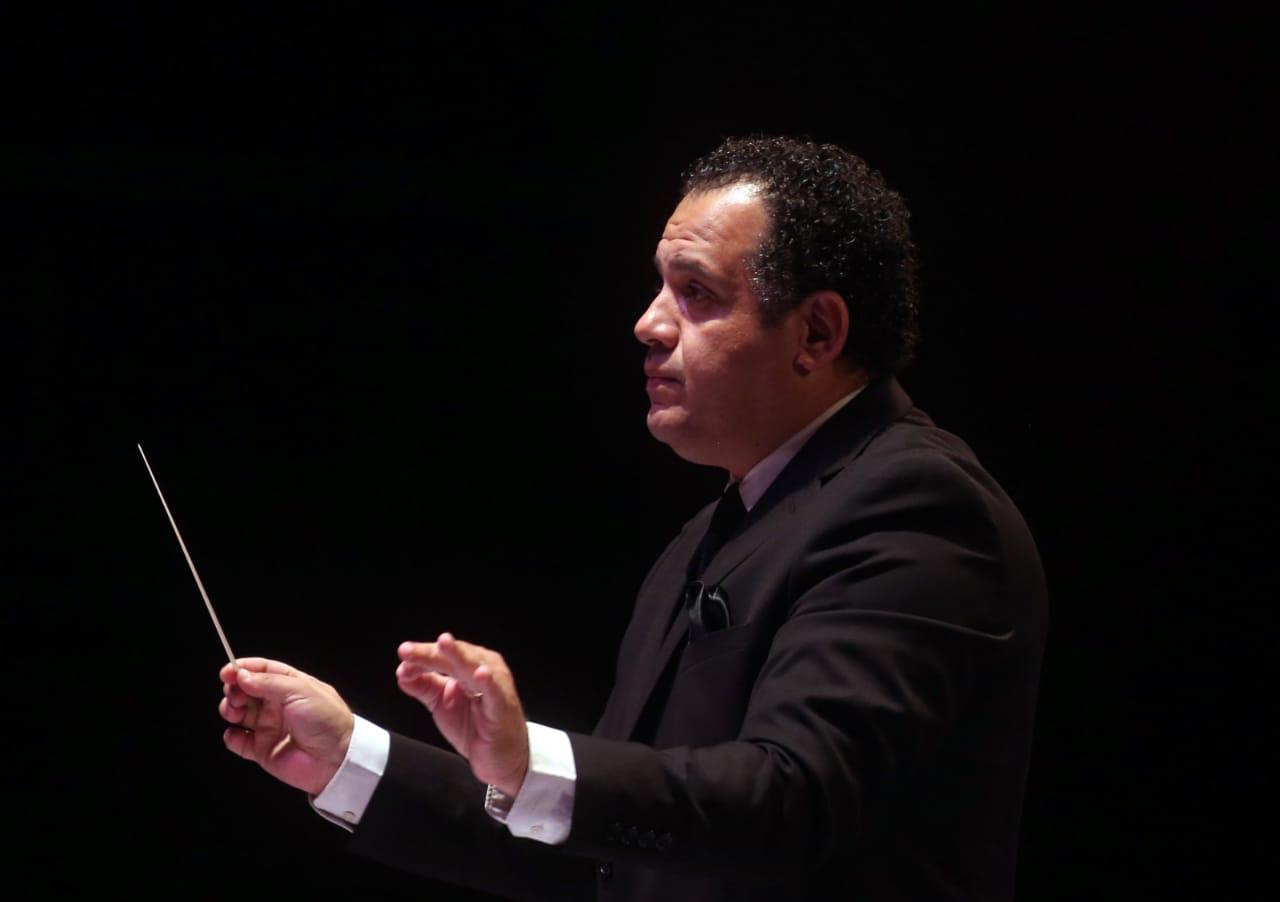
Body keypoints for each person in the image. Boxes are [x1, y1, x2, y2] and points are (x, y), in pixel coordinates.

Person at [218, 135, 1047, 901]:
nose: (647, 324)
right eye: (660, 287)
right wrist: (348, 756)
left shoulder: (919, 506)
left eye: (696, 294)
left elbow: (792, 803)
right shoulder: (711, 535)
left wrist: (529, 760)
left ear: (817, 332)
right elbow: (597, 844)